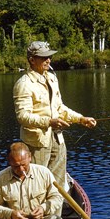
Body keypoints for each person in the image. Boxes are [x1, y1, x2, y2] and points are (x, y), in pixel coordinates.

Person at [13, 41, 97, 190]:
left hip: (58, 139)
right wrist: (49, 122)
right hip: (37, 143)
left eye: (49, 57)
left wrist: (81, 119)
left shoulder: (52, 78)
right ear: (32, 60)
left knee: (58, 186)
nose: (48, 60)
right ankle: (38, 213)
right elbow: (23, 116)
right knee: (37, 185)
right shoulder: (24, 84)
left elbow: (59, 108)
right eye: (44, 57)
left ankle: (55, 213)